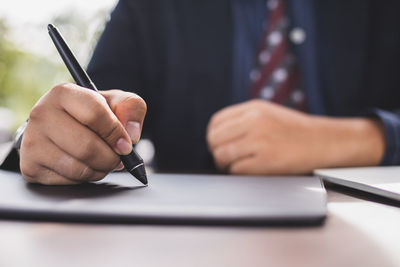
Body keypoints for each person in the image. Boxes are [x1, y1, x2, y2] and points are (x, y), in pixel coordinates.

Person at [2, 0, 400, 185]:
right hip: (190, 242)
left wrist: (362, 138)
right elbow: (87, 107)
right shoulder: (152, 9)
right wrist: (48, 140)